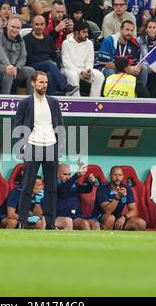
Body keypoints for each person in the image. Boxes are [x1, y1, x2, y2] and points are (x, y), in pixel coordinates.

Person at [13, 71, 63, 230]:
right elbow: (18, 125)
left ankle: (50, 223)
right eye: (41, 82)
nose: (44, 85)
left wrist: (58, 147)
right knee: (27, 186)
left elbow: (60, 126)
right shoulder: (25, 103)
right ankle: (21, 221)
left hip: (51, 146)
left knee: (51, 188)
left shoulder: (54, 102)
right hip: (32, 146)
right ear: (33, 83)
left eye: (46, 82)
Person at [24, 14, 78, 96]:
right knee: (50, 64)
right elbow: (28, 58)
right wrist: (46, 62)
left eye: (41, 24)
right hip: (33, 65)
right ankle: (65, 87)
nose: (39, 27)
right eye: (36, 24)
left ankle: (49, 99)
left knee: (50, 74)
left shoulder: (49, 39)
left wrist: (54, 63)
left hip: (49, 66)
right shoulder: (26, 39)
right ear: (32, 25)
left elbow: (54, 56)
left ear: (45, 25)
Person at [98, 20, 148, 97]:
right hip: (111, 69)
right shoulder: (109, 41)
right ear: (121, 30)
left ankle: (140, 97)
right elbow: (105, 64)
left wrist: (136, 67)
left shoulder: (133, 44)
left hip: (127, 69)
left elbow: (136, 62)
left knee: (144, 69)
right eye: (127, 29)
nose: (129, 33)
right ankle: (109, 96)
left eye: (132, 30)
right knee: (110, 72)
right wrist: (127, 68)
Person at [0, 16, 35, 94]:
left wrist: (17, 67)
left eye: (17, 28)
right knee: (8, 71)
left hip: (13, 67)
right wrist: (8, 65)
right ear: (7, 25)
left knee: (31, 71)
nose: (14, 30)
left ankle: (31, 101)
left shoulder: (20, 40)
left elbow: (23, 57)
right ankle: (5, 99)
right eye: (12, 27)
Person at [91, 166, 146, 231]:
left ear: (123, 176)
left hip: (117, 219)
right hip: (101, 218)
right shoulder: (102, 188)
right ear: (110, 176)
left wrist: (124, 217)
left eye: (120, 175)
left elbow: (134, 211)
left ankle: (124, 239)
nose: (118, 178)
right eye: (115, 175)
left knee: (141, 223)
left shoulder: (126, 189)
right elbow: (107, 211)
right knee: (111, 218)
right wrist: (118, 197)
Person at [61, 19, 105, 97]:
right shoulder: (66, 43)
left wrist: (88, 70)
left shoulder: (89, 43)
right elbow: (66, 63)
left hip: (84, 70)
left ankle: (93, 101)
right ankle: (76, 102)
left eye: (87, 32)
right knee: (73, 75)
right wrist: (80, 72)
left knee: (99, 75)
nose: (87, 34)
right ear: (76, 33)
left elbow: (90, 61)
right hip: (68, 69)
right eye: (84, 32)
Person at [55, 164, 96, 230]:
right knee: (84, 223)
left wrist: (91, 183)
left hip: (77, 215)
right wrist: (76, 176)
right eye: (65, 174)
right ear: (57, 174)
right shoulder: (54, 184)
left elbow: (86, 190)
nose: (68, 177)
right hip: (64, 216)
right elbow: (63, 190)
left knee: (95, 224)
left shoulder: (74, 184)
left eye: (69, 174)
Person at [137, 18, 156, 97]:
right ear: (145, 29)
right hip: (143, 68)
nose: (152, 30)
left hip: (154, 69)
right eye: (149, 27)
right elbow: (139, 58)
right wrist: (148, 67)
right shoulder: (139, 40)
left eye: (154, 27)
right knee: (152, 76)